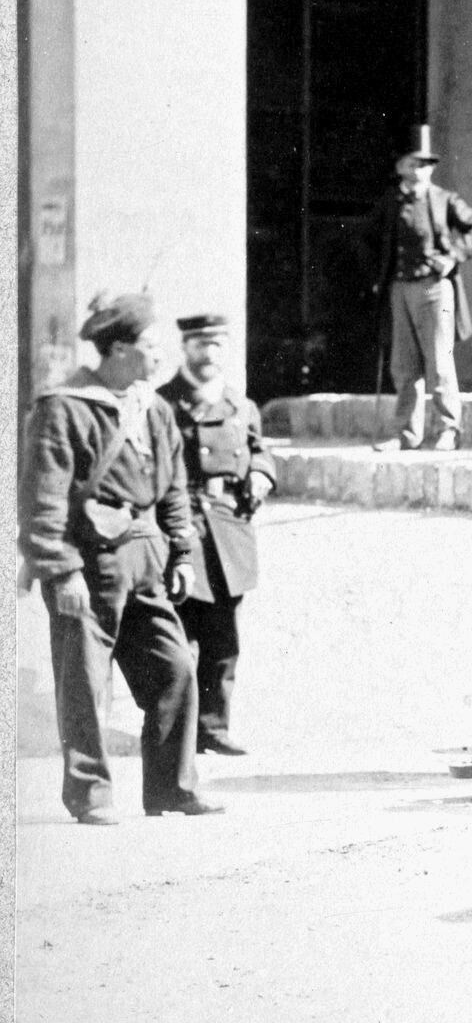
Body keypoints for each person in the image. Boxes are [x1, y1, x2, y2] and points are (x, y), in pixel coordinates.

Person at [19, 293, 220, 823]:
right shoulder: (63, 408)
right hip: (86, 564)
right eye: (152, 346)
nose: (161, 357)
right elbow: (43, 501)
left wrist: (180, 552)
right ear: (121, 350)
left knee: (175, 668)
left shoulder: (153, 408)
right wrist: (60, 569)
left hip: (144, 558)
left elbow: (174, 487)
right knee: (84, 683)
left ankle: (172, 789)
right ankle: (91, 796)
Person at [157, 314, 275, 756]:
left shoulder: (240, 406)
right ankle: (178, 730)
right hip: (183, 524)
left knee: (224, 636)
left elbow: (260, 450)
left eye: (217, 345)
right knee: (181, 633)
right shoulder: (164, 405)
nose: (209, 354)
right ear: (185, 348)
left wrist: (262, 474)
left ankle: (214, 726)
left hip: (229, 527)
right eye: (199, 345)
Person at [369, 124, 472, 453]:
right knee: (403, 365)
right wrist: (380, 275)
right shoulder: (392, 203)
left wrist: (454, 255)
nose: (419, 170)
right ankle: (406, 434)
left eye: (425, 165)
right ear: (400, 169)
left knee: (439, 361)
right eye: (413, 164)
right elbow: (368, 238)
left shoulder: (444, 200)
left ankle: (449, 429)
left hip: (435, 290)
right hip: (401, 290)